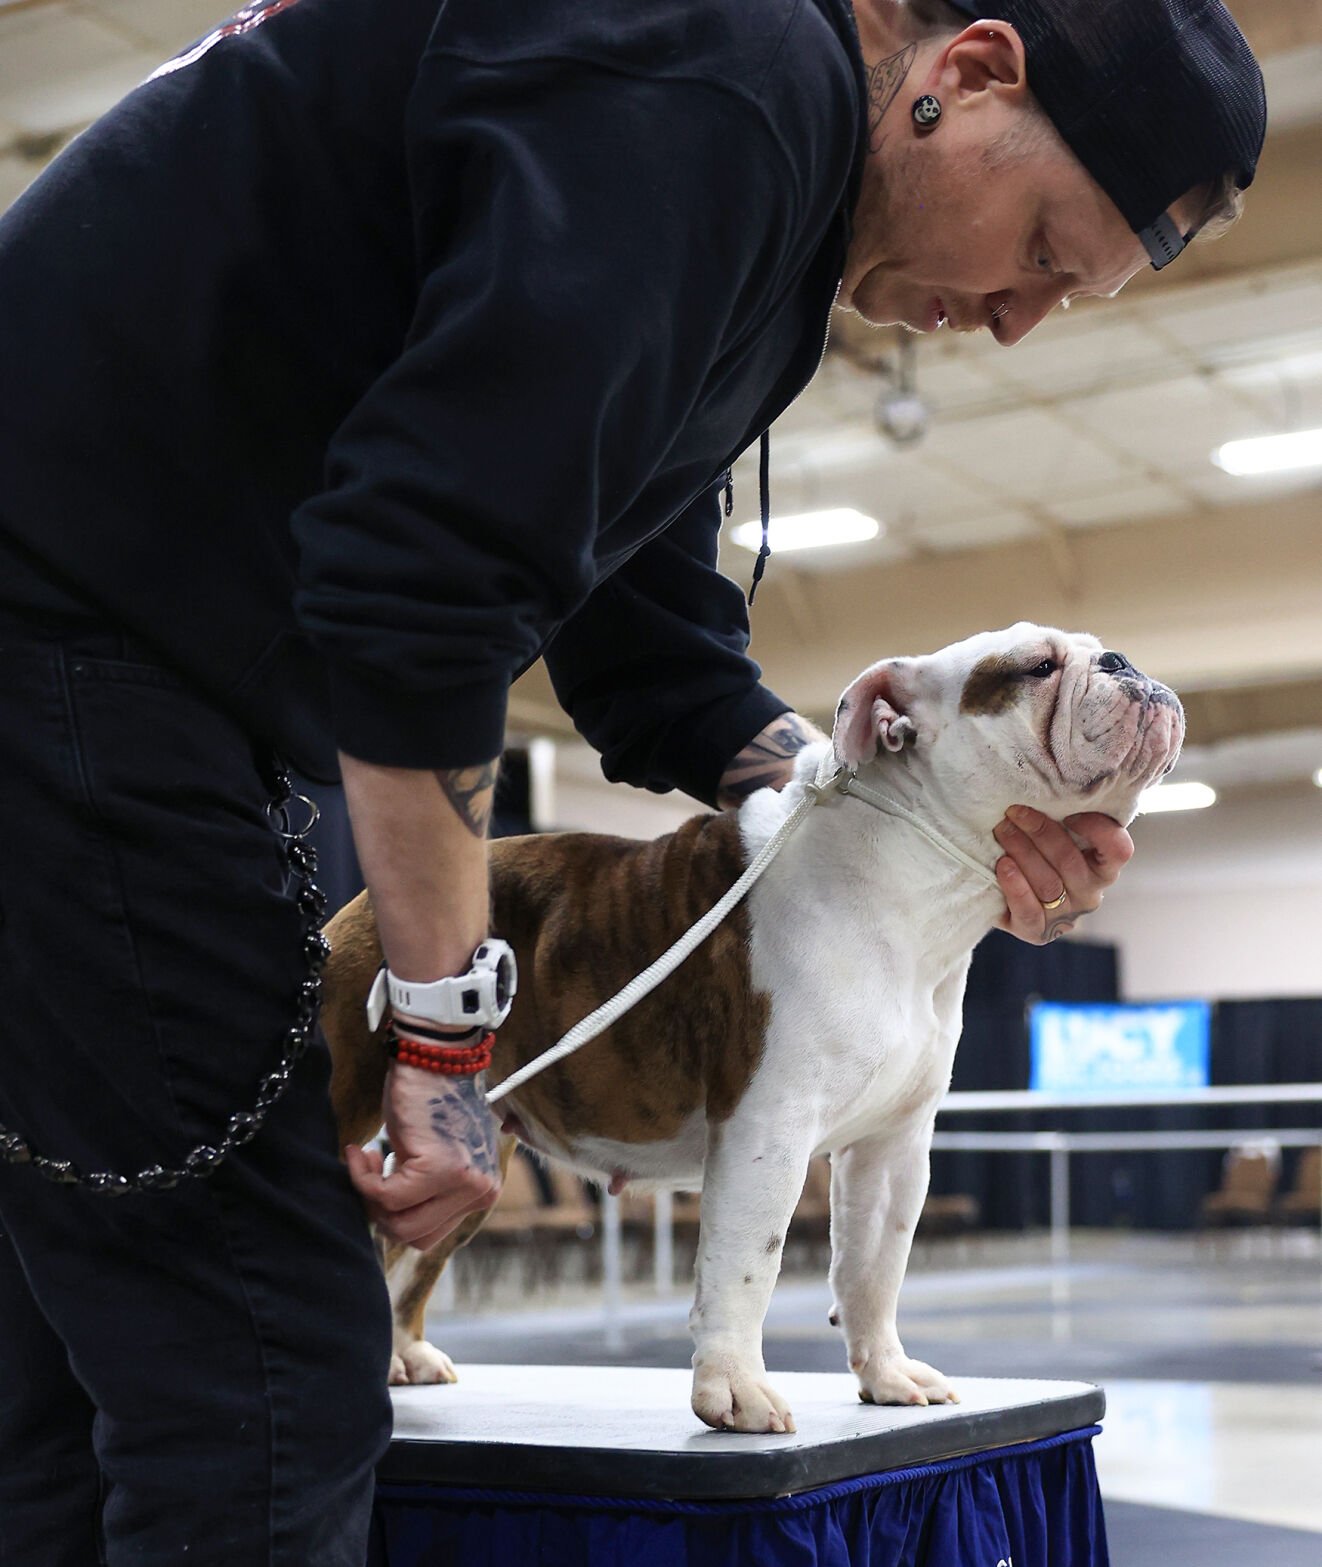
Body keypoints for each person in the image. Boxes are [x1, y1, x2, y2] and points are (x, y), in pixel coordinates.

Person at [0, 0, 1264, 1560]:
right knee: (265, 1378)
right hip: (75, 649)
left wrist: (901, 814)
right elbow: (424, 596)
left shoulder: (755, 198)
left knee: (73, 1376)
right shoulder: (722, 81)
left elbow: (647, 639)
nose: (1016, 318)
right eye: (1047, 250)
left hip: (128, 661)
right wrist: (450, 1050)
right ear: (969, 75)